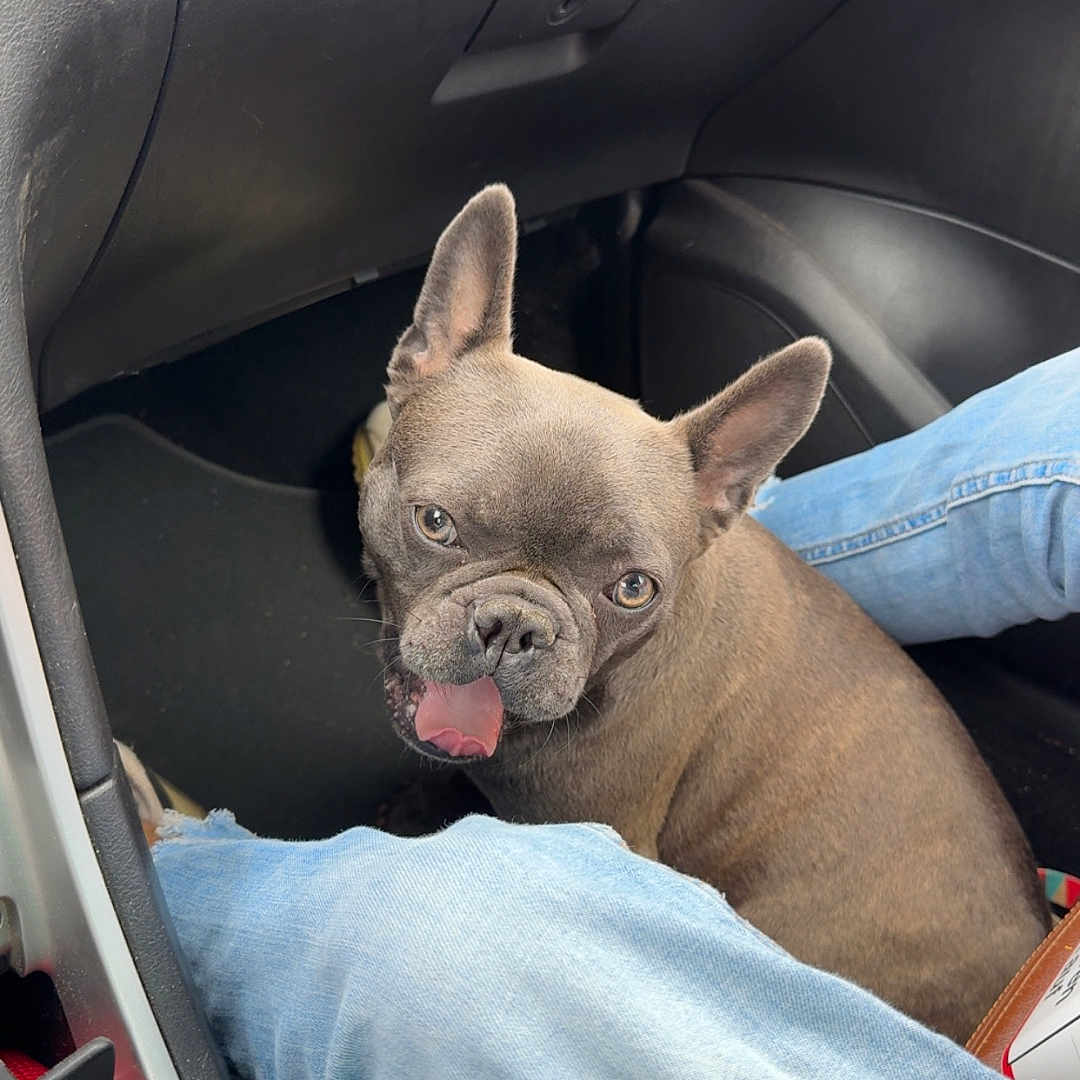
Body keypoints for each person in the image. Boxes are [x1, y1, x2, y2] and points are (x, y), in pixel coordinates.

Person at [144, 350, 1078, 1079]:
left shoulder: (600, 776)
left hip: (896, 1030)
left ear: (728, 484)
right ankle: (636, 522)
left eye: (625, 587)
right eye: (442, 521)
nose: (511, 629)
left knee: (430, 932)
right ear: (418, 355)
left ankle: (145, 873)